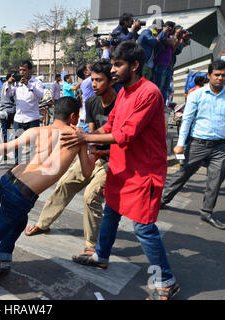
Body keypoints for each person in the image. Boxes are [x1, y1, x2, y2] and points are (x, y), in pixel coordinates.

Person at [61, 41, 179, 300]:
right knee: (111, 212)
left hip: (144, 171)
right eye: (112, 64)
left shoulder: (149, 93)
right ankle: (101, 256)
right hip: (121, 166)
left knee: (143, 228)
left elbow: (126, 134)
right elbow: (110, 125)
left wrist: (85, 139)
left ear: (135, 65)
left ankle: (166, 281)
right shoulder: (124, 92)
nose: (112, 70)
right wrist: (86, 136)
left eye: (118, 65)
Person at [0, 96, 98, 283]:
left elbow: (7, 147)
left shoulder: (37, 130)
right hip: (20, 196)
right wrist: (95, 151)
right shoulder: (77, 139)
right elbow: (88, 171)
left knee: (19, 221)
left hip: (6, 182)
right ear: (74, 116)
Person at [25, 60, 116, 258]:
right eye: (92, 80)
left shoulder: (121, 104)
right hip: (94, 155)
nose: (93, 84)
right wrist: (85, 146)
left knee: (90, 197)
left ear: (111, 81)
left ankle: (92, 246)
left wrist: (99, 150)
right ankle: (43, 223)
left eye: (99, 80)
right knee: (64, 184)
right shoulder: (92, 102)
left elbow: (124, 139)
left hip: (113, 160)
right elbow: (91, 133)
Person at [161, 60, 225, 231]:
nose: (220, 78)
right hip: (197, 144)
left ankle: (207, 212)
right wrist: (180, 144)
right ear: (209, 76)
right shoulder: (196, 95)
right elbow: (187, 120)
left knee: (216, 178)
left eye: (224, 75)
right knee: (183, 173)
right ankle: (162, 200)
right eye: (217, 75)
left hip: (220, 147)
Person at [6, 60, 44, 164]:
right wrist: (8, 84)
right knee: (17, 145)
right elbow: (8, 95)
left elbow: (41, 95)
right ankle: (17, 165)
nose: (22, 72)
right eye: (20, 70)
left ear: (30, 70)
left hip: (32, 119)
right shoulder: (16, 84)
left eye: (24, 70)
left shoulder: (37, 83)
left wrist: (29, 85)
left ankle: (33, 167)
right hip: (18, 119)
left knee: (34, 145)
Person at [0, 72, 16, 142]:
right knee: (9, 130)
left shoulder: (5, 85)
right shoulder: (7, 85)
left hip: (6, 110)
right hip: (8, 110)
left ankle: (5, 145)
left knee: (5, 131)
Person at [78, 64, 94, 134]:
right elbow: (101, 72)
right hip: (87, 121)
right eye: (90, 68)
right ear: (86, 72)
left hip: (84, 119)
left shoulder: (85, 82)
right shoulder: (88, 81)